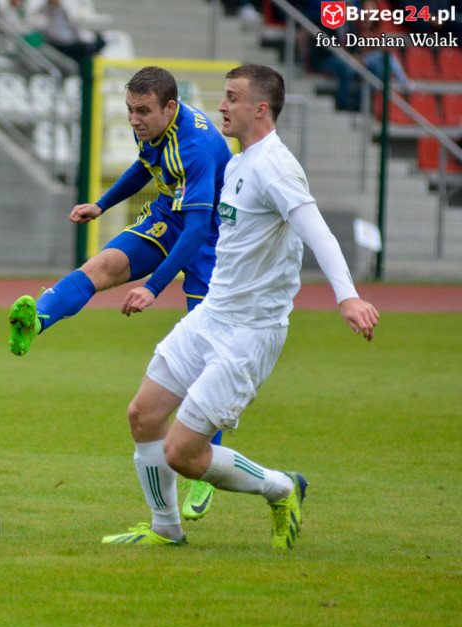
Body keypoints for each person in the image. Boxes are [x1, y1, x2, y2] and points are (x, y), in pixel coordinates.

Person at [102, 64, 380, 549]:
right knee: (143, 415)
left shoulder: (276, 167)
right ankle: (165, 527)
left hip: (250, 332)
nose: (221, 106)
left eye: (231, 98)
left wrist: (347, 295)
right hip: (211, 315)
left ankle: (282, 487)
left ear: (260, 109)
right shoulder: (236, 163)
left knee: (183, 454)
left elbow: (319, 232)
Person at [8, 65, 231, 521]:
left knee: (208, 352)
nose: (134, 119)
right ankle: (39, 318)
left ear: (171, 107)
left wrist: (152, 288)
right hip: (171, 216)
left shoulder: (197, 148)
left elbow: (196, 231)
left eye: (143, 111)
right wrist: (102, 204)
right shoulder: (153, 126)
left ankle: (206, 468)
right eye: (129, 110)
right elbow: (143, 166)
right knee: (103, 265)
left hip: (211, 239)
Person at [33, 0, 105, 63]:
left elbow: (73, 27)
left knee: (89, 50)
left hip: (72, 40)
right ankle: (91, 48)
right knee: (85, 52)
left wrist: (78, 38)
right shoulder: (44, 12)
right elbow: (48, 31)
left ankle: (91, 47)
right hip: (59, 43)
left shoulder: (63, 10)